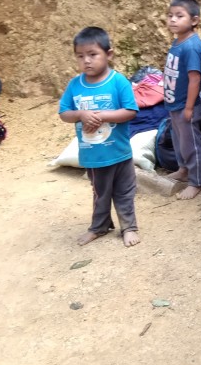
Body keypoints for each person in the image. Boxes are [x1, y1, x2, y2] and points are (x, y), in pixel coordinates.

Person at [59, 26, 141, 247]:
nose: (86, 60)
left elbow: (131, 111)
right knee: (100, 193)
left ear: (109, 54)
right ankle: (100, 226)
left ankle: (129, 227)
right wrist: (81, 114)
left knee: (124, 192)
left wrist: (103, 115)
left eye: (93, 54)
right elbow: (64, 113)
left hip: (120, 152)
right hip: (93, 155)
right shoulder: (75, 85)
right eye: (80, 56)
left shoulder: (118, 82)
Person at [163, 0, 201, 200]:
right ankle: (183, 170)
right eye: (170, 15)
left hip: (185, 106)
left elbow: (194, 79)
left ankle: (197, 181)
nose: (173, 20)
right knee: (179, 141)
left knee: (191, 144)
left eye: (179, 16)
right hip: (174, 104)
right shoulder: (177, 41)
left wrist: (189, 107)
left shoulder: (191, 47)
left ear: (194, 20)